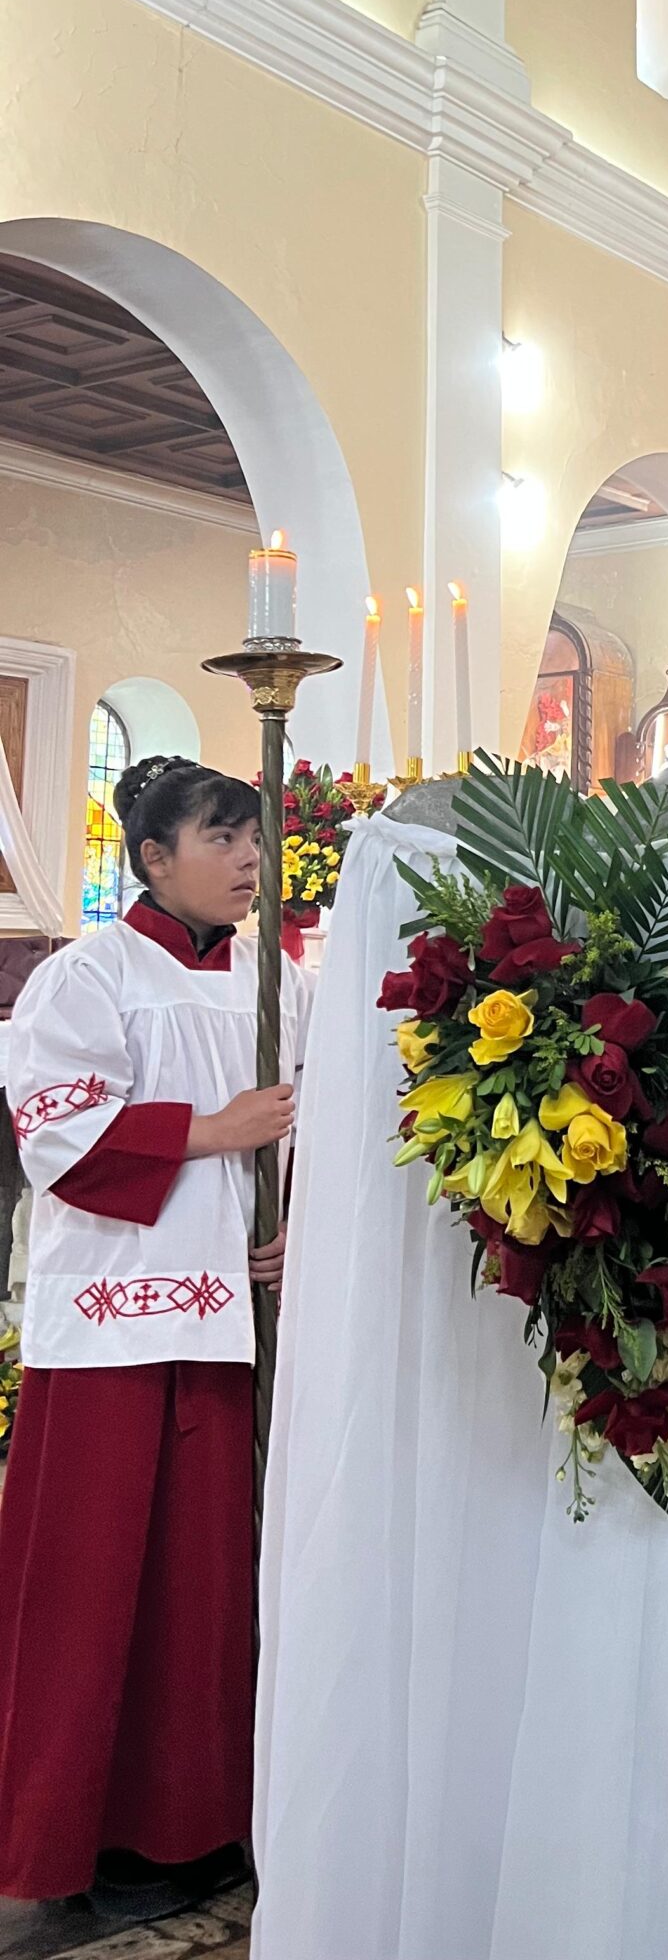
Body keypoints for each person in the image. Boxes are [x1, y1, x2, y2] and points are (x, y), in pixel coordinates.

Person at [0, 758, 308, 1923]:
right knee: (92, 1589)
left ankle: (203, 1821)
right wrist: (215, 1130)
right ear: (152, 857)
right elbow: (55, 1139)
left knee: (206, 1587)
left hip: (232, 1324)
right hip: (113, 1330)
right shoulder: (88, 977)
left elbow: (321, 1121)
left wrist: (292, 1221)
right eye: (222, 837)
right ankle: (75, 1835)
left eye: (254, 836)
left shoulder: (280, 981)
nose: (249, 859)